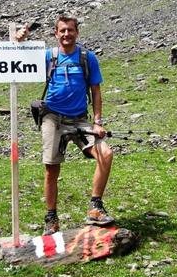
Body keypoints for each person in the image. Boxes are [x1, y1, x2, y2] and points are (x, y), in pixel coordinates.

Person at [16, 16, 114, 235]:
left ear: (77, 32)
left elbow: (96, 91)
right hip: (53, 118)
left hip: (80, 118)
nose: (66, 34)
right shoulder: (48, 56)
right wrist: (19, 40)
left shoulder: (87, 58)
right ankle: (51, 218)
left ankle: (95, 208)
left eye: (70, 30)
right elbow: (20, 57)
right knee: (51, 169)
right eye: (62, 31)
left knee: (105, 154)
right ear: (55, 33)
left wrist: (97, 122)